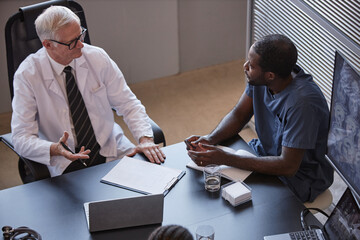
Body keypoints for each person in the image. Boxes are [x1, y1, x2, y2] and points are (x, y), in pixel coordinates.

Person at [11, 5, 165, 177]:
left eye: (80, 34)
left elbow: (128, 103)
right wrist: (54, 149)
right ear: (48, 44)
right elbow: (20, 138)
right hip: (65, 160)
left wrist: (145, 139)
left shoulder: (97, 57)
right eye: (71, 42)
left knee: (150, 183)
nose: (81, 44)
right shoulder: (27, 75)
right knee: (84, 202)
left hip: (110, 147)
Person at [186, 34, 333, 202]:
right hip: (264, 154)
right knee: (220, 190)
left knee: (239, 203)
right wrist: (210, 139)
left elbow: (288, 166)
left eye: (251, 65)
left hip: (299, 177)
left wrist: (225, 158)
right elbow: (239, 115)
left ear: (270, 75)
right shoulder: (263, 80)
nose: (245, 66)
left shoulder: (303, 104)